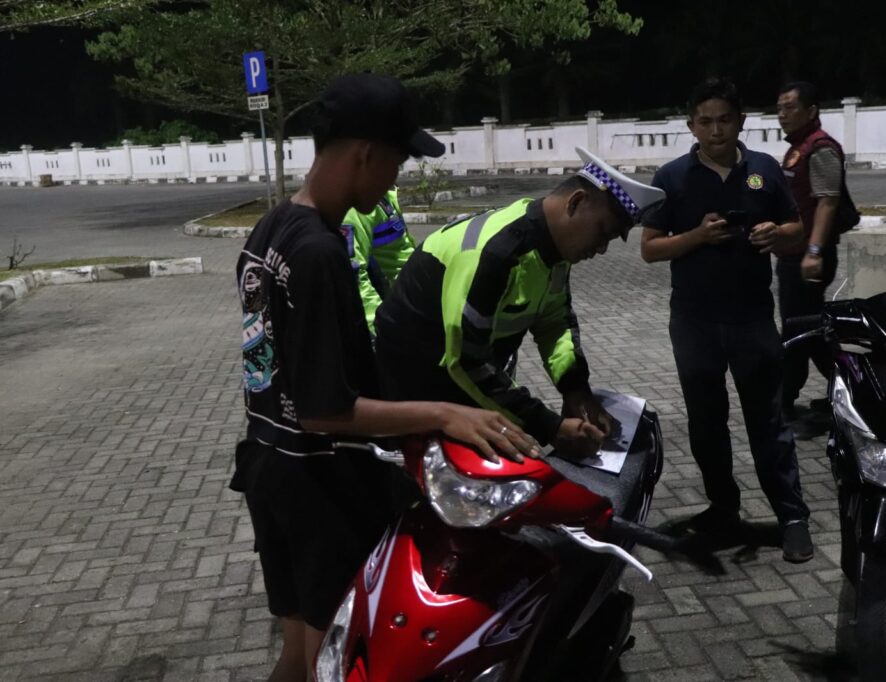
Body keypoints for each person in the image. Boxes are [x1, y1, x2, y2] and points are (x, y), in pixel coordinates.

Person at [232, 73, 538, 682]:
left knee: (296, 655)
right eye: (397, 164)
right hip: (318, 488)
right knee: (331, 664)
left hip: (270, 468)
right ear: (366, 154)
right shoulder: (320, 253)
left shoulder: (274, 226)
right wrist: (446, 413)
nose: (396, 180)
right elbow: (325, 409)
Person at [374, 147, 665, 456]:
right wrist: (549, 426)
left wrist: (576, 389)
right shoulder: (495, 254)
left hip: (470, 377)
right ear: (576, 202)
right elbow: (467, 360)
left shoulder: (555, 247)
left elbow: (554, 322)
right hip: (418, 385)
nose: (602, 249)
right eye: (603, 233)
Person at [640, 78, 813, 563]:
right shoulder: (671, 177)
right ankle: (723, 508)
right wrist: (696, 236)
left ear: (740, 121)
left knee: (768, 422)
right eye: (705, 121)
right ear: (691, 125)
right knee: (706, 423)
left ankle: (792, 517)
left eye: (724, 120)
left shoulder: (764, 169)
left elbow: (797, 228)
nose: (715, 130)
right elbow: (650, 249)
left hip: (752, 318)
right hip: (694, 322)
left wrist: (776, 233)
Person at [775, 81, 855, 437]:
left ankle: (784, 404)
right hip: (795, 254)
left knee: (797, 334)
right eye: (780, 108)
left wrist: (814, 251)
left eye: (790, 107)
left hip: (808, 256)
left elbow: (828, 201)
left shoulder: (820, 148)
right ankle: (851, 389)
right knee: (813, 333)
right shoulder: (799, 147)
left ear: (811, 111)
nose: (783, 114)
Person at [340, 187, 415, 332]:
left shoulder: (382, 196)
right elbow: (354, 277)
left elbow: (400, 256)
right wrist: (380, 328)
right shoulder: (356, 208)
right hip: (380, 315)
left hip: (406, 302)